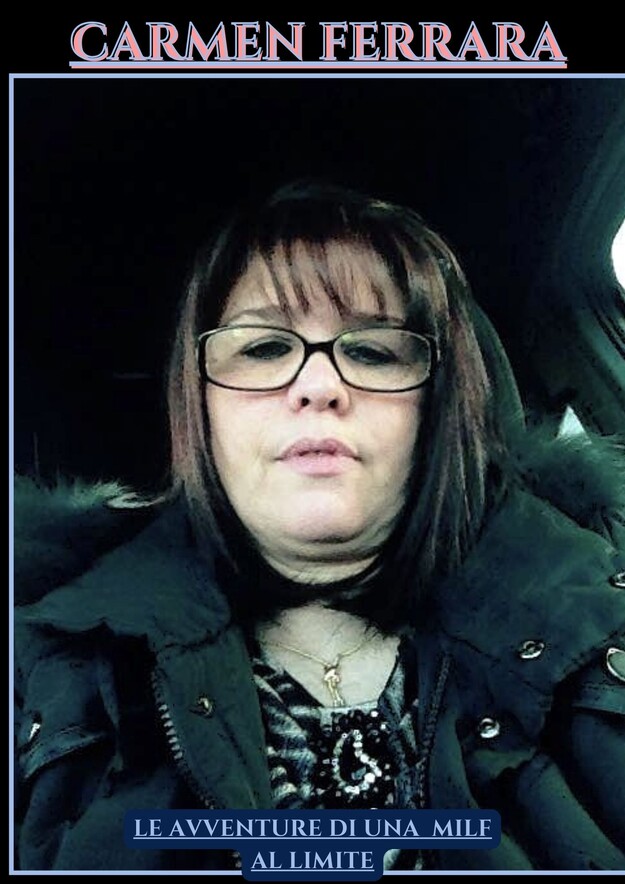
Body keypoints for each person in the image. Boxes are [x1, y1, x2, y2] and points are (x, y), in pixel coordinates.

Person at [14, 181, 625, 872]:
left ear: (435, 411)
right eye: (262, 348)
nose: (318, 385)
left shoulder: (599, 628)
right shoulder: (42, 666)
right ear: (200, 406)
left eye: (374, 351)